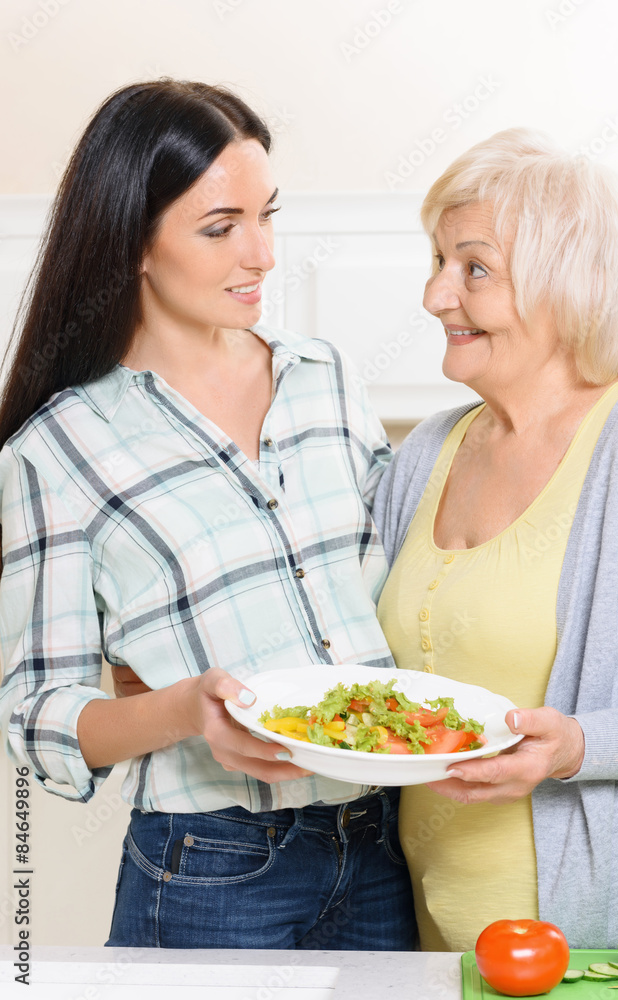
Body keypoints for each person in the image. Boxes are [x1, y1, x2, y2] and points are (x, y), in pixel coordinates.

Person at [0, 79, 416, 950]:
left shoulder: (324, 376)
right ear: (134, 244)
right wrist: (186, 710)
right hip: (213, 866)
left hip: (382, 843)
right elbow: (36, 712)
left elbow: (406, 576)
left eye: (268, 215)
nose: (261, 255)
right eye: (221, 228)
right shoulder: (61, 447)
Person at [372, 127, 618, 950]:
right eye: (435, 263)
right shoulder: (428, 448)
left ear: (567, 286)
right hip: (424, 943)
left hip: (588, 952)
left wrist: (577, 745)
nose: (435, 296)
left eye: (472, 268)